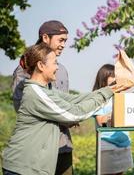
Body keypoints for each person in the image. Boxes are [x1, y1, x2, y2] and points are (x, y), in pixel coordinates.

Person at [2, 43, 127, 175]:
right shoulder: (35, 93)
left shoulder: (45, 91)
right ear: (41, 65)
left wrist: (112, 88)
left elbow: (75, 99)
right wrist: (108, 92)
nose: (57, 67)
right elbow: (75, 113)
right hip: (22, 168)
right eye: (55, 63)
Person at [12, 20, 74, 174]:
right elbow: (24, 108)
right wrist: (65, 117)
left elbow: (66, 103)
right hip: (37, 150)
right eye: (60, 40)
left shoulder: (62, 70)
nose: (63, 45)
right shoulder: (24, 70)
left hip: (63, 147)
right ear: (45, 38)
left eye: (65, 41)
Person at [93, 64, 134, 175]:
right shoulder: (98, 98)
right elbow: (101, 121)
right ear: (103, 80)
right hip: (108, 145)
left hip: (124, 143)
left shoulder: (121, 96)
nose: (116, 82)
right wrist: (115, 114)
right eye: (112, 80)